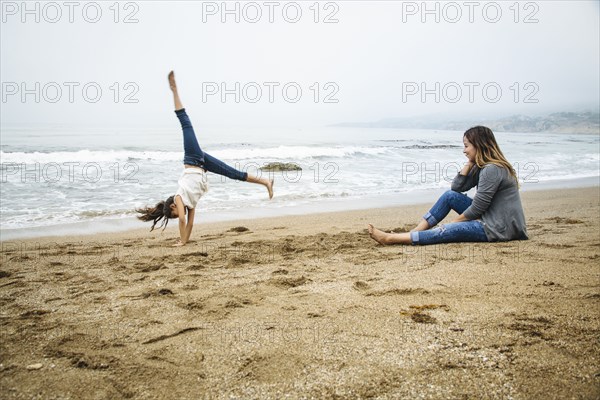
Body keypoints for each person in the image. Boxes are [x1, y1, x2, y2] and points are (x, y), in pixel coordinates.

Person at [137, 71, 274, 246]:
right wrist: (184, 241)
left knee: (185, 122)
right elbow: (191, 223)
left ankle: (174, 90)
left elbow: (183, 222)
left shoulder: (179, 198)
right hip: (202, 165)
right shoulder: (190, 204)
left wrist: (181, 241)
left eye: (175, 213)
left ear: (173, 207)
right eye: (178, 214)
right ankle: (265, 182)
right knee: (234, 174)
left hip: (193, 159)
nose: (180, 214)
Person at [368, 126, 528, 245]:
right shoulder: (483, 167)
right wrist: (469, 163)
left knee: (447, 230)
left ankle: (390, 239)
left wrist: (452, 223)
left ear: (479, 145)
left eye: (466, 146)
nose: (464, 150)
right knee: (449, 196)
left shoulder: (492, 169)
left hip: (499, 228)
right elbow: (456, 188)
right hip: (493, 218)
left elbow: (478, 208)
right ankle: (415, 232)